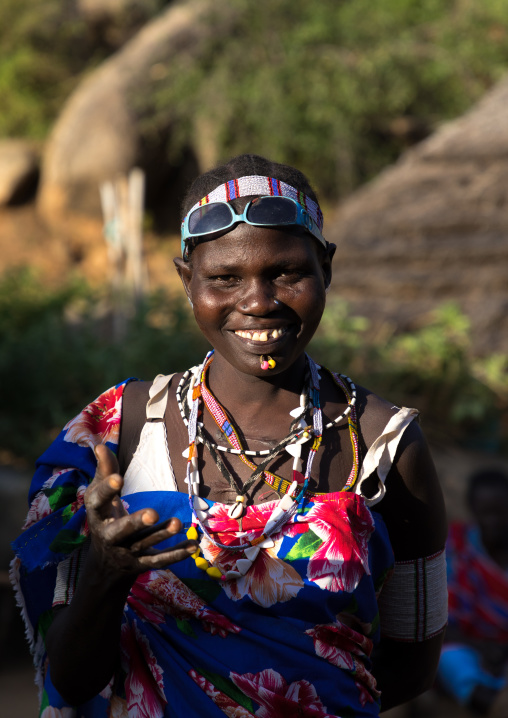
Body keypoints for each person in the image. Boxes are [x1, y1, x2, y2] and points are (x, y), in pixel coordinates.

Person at [11, 154, 448, 717]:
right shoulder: (119, 433)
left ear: (327, 269)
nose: (259, 301)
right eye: (224, 278)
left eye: (287, 272)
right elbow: (71, 679)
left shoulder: (384, 445)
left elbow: (411, 667)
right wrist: (105, 571)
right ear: (186, 280)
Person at [438, 468, 508, 716]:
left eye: (500, 512)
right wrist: (481, 647)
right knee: (449, 659)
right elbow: (443, 620)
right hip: (467, 646)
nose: (493, 521)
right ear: (472, 510)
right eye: (485, 513)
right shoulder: (457, 547)